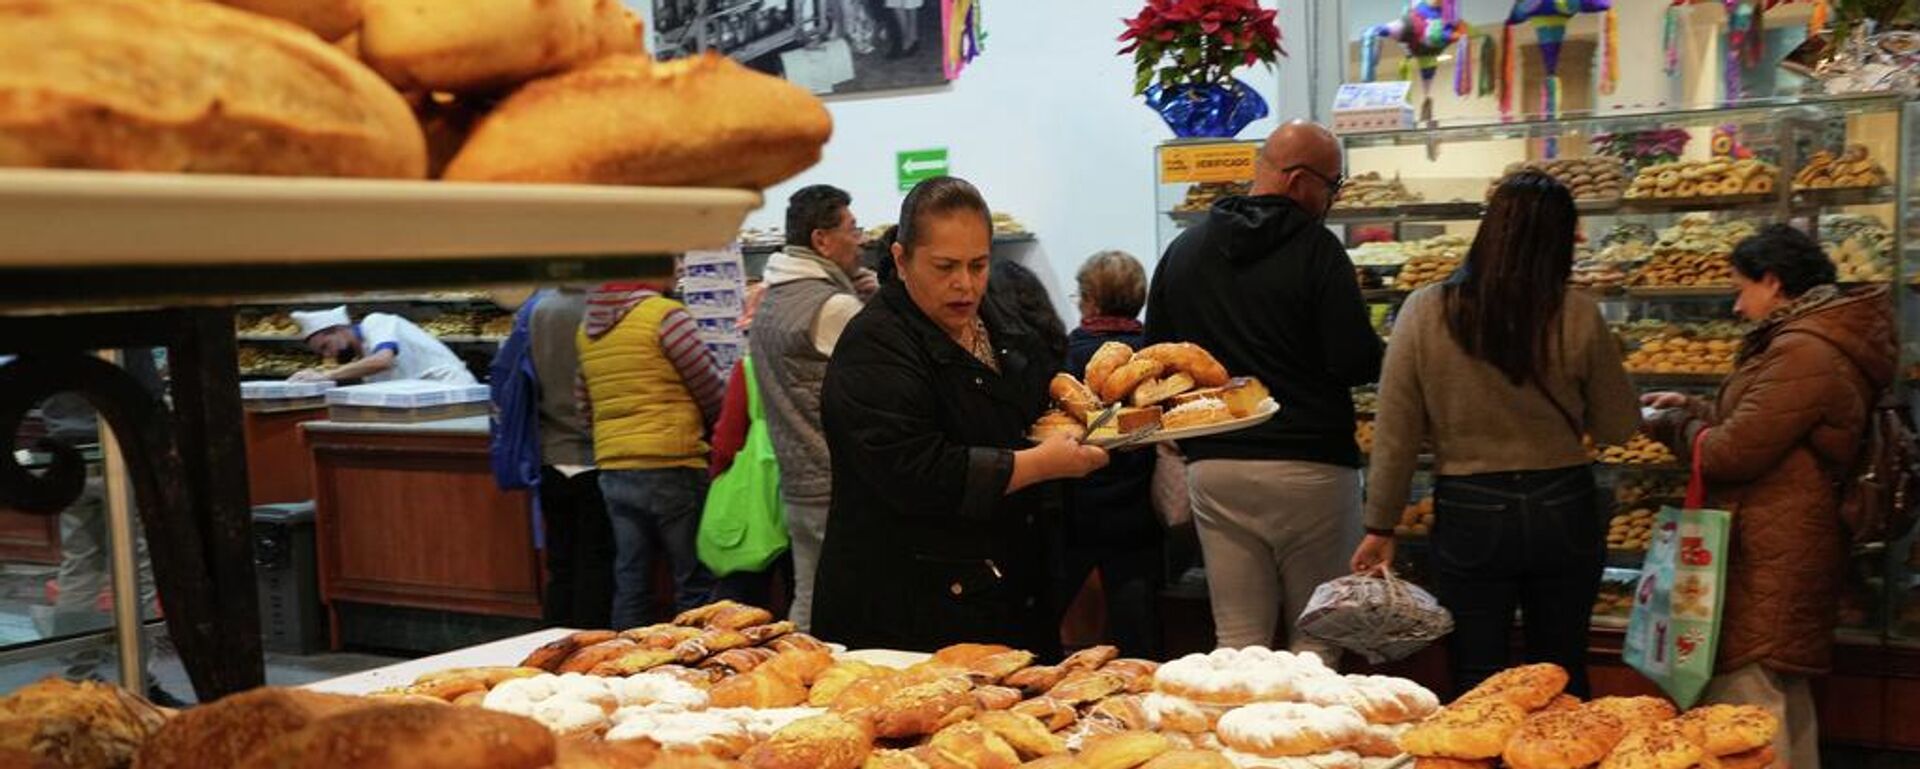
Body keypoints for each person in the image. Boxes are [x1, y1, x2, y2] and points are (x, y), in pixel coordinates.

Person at [1350, 172, 1638, 697]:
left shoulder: (1425, 310)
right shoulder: (1578, 313)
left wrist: (1380, 524)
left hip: (1470, 505)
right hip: (1563, 503)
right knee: (1562, 670)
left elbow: (1395, 433)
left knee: (1476, 675)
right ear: (1559, 239)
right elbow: (1619, 425)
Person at [811, 176, 1108, 654]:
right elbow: (916, 471)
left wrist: (1096, 419)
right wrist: (1041, 464)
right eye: (945, 266)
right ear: (901, 260)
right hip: (909, 613)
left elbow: (1033, 400)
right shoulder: (875, 344)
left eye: (978, 265)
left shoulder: (992, 317)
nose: (964, 284)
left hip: (1003, 592)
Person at [1641, 225, 1893, 769]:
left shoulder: (1803, 350)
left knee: (1746, 704)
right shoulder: (1809, 338)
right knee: (1778, 695)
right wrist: (1693, 406)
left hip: (1773, 547)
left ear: (1773, 282)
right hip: (1787, 535)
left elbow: (1733, 453)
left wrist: (1671, 425)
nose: (1737, 305)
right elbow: (1767, 425)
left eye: (1741, 288)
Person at [1144, 121, 1383, 657]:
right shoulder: (1318, 251)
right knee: (1318, 644)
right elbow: (1354, 361)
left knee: (1237, 644)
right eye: (1332, 185)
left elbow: (1156, 356)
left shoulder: (1185, 250)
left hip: (1216, 467)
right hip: (1312, 468)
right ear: (1299, 182)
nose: (1333, 199)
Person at [750, 185, 878, 631]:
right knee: (859, 606)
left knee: (808, 598)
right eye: (852, 229)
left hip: (796, 476)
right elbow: (883, 377)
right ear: (822, 240)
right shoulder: (833, 306)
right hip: (839, 481)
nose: (860, 240)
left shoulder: (771, 300)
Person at [577, 281, 725, 628]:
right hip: (672, 460)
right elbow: (708, 387)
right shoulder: (665, 317)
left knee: (631, 579)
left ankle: (627, 654)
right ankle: (692, 654)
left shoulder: (587, 328)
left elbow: (584, 406)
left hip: (615, 464)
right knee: (693, 578)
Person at [1056, 250, 1162, 659]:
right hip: (1138, 503)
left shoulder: (1067, 354)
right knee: (1137, 625)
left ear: (1090, 300)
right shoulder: (1152, 353)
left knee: (1053, 609)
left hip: (1077, 501)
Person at [527, 287, 615, 629]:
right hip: (595, 453)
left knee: (561, 564)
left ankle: (553, 640)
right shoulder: (603, 308)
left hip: (551, 450)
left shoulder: (539, 309)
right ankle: (588, 643)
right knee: (596, 562)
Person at [289, 305, 476, 384]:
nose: (328, 355)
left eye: (325, 346)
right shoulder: (363, 361)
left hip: (451, 388)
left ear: (338, 329)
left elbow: (383, 361)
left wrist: (325, 375)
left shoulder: (376, 322)